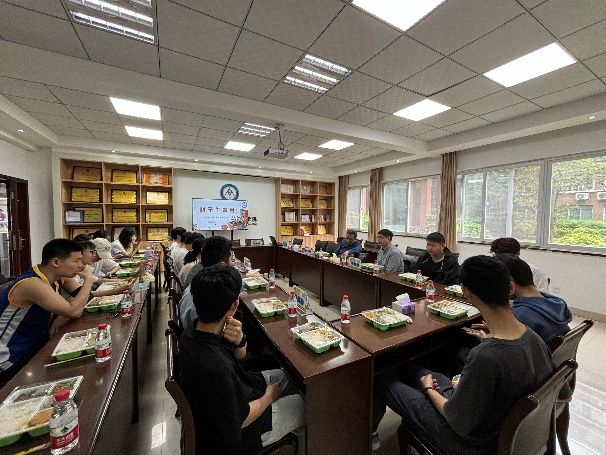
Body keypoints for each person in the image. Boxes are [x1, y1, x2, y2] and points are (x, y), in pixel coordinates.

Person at [375, 256, 554, 455]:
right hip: (494, 422)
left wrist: (429, 390)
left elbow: (455, 419)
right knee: (413, 369)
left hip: (470, 443)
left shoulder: (485, 357)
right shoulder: (534, 338)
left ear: (465, 292)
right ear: (510, 288)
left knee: (382, 380)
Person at [179, 265, 304, 454]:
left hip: (242, 388)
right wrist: (269, 397)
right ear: (234, 305)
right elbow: (241, 419)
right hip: (246, 430)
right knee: (308, 406)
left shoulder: (193, 330)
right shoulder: (216, 367)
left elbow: (240, 357)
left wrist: (240, 341)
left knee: (289, 377)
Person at [0, 239, 93, 383]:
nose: (82, 265)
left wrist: (62, 316)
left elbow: (85, 297)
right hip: (10, 359)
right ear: (56, 262)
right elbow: (74, 311)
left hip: (36, 347)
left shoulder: (57, 278)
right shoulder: (31, 283)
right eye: (77, 261)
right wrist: (89, 279)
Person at [496, 254, 571, 342]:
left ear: (510, 286)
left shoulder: (519, 315)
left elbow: (507, 348)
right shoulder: (559, 303)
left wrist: (491, 336)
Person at [180, 236, 234, 328]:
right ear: (223, 264)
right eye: (231, 258)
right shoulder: (210, 295)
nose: (232, 263)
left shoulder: (201, 280)